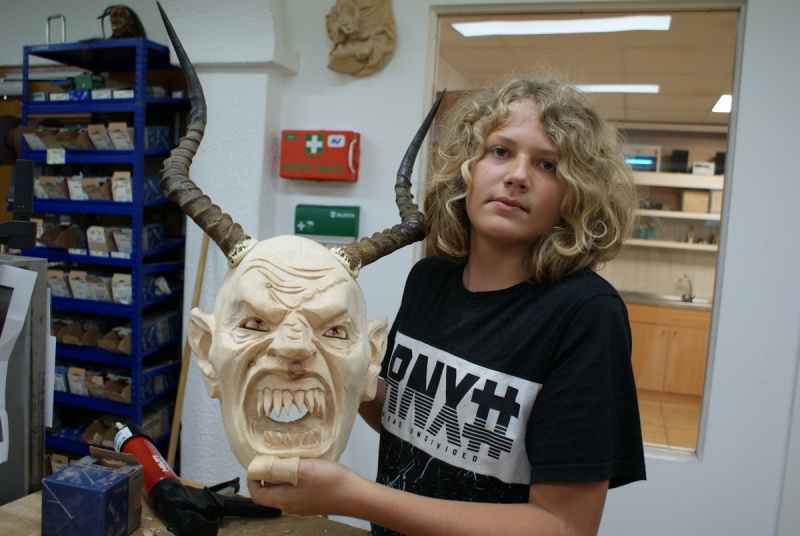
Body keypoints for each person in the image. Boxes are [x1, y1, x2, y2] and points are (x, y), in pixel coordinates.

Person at [248, 72, 646, 535]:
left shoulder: (586, 314)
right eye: (501, 151)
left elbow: (563, 526)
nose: (517, 176)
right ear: (467, 167)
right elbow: (410, 417)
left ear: (576, 191)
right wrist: (333, 360)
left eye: (547, 164)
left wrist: (353, 496)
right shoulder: (429, 279)